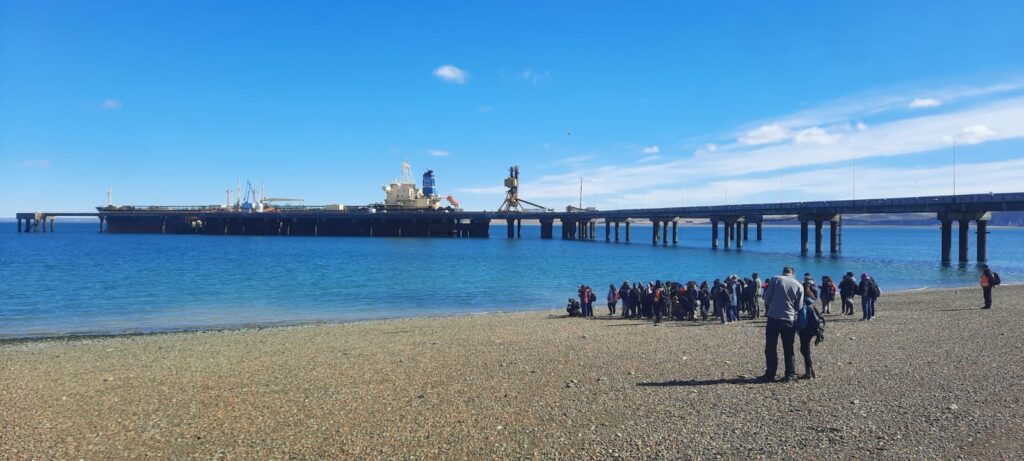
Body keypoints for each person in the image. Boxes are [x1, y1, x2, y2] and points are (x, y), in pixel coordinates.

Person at [759, 266, 805, 383]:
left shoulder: (775, 279)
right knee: (788, 348)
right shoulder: (799, 285)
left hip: (774, 317)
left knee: (770, 347)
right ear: (793, 274)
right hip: (789, 319)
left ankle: (770, 373)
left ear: (783, 272)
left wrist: (774, 304)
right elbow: (799, 306)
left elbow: (766, 298)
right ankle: (790, 373)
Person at [797, 283, 824, 379]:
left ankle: (809, 371)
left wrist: (798, 328)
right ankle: (810, 369)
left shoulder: (803, 303)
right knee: (806, 349)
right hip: (813, 328)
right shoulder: (811, 301)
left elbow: (802, 319)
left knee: (804, 350)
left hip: (805, 329)